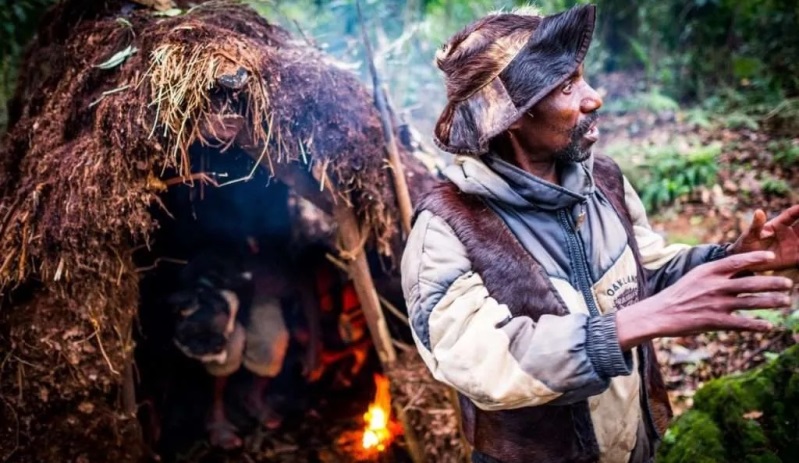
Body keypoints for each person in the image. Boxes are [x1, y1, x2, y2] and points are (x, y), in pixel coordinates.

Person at [400, 4, 799, 463]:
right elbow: (484, 363)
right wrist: (628, 327)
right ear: (511, 117)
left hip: (637, 446)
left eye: (583, 78)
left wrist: (736, 257)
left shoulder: (604, 180)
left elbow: (645, 269)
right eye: (568, 86)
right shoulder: (445, 227)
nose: (594, 98)